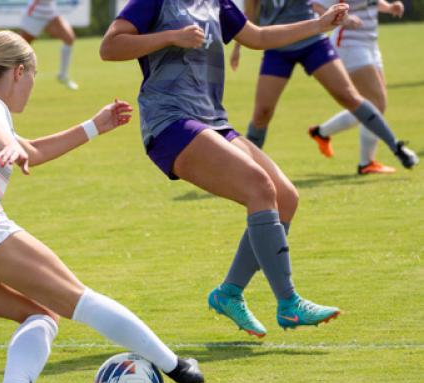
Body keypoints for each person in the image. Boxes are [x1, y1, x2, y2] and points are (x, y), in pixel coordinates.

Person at [0, 30, 204, 383]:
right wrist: (8, 143)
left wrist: (94, 126)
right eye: (34, 76)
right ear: (20, 72)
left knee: (39, 314)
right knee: (79, 299)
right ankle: (175, 366)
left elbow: (30, 151)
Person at [100, 0, 350, 338]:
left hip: (212, 120)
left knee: (285, 197)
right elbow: (109, 47)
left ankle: (229, 293)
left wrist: (318, 25)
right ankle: (289, 303)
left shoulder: (216, 2)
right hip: (169, 120)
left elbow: (258, 37)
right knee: (259, 186)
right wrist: (171, 36)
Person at [229, 0, 418, 170]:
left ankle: (397, 148)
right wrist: (238, 47)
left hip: (313, 40)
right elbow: (250, 11)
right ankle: (246, 168)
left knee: (349, 96)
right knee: (262, 113)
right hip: (278, 46)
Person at [309, 0, 412, 174]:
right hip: (350, 44)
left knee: (368, 105)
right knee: (375, 104)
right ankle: (366, 163)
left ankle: (321, 132)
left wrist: (388, 7)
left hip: (371, 43)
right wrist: (342, 19)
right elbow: (315, 5)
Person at [20, 0, 79, 90]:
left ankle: (63, 75)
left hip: (51, 14)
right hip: (35, 13)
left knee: (69, 39)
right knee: (20, 47)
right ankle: (10, 76)